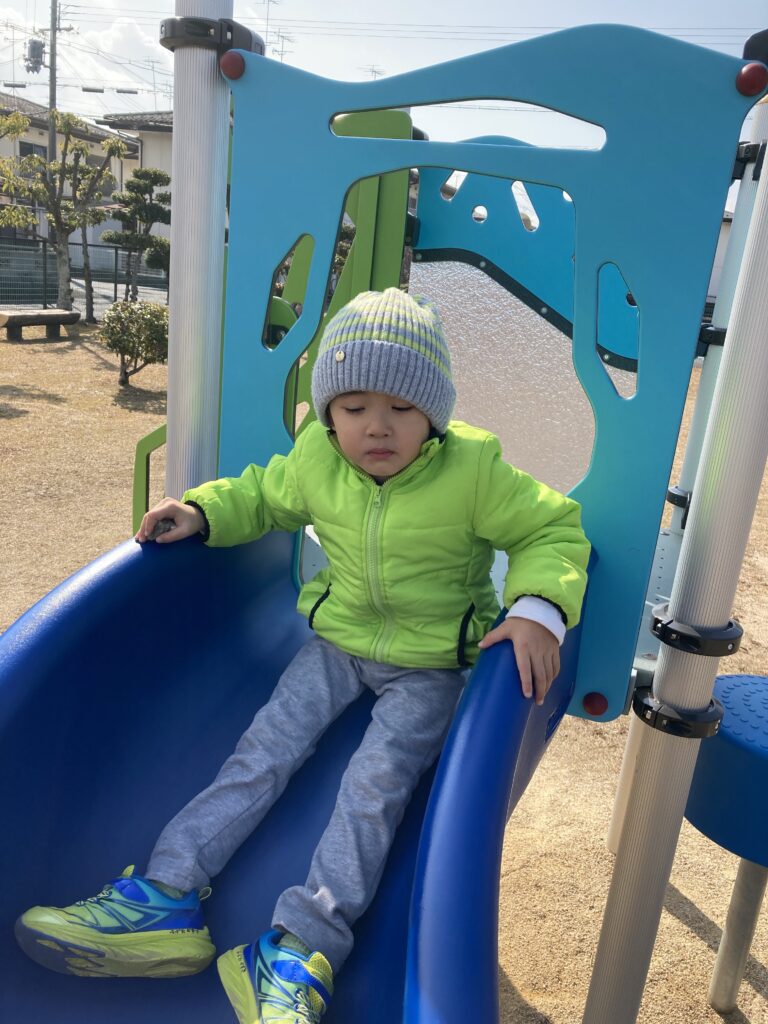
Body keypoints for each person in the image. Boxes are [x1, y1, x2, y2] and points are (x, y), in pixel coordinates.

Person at [15, 288, 590, 1023]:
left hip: (431, 666)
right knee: (261, 753)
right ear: (328, 413)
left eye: (402, 408)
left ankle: (297, 948)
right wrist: (202, 511)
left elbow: (552, 529)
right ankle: (165, 896)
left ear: (434, 415)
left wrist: (538, 608)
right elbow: (263, 496)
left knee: (373, 787)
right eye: (353, 407)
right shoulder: (317, 457)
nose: (376, 426)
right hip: (337, 643)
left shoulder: (472, 470)